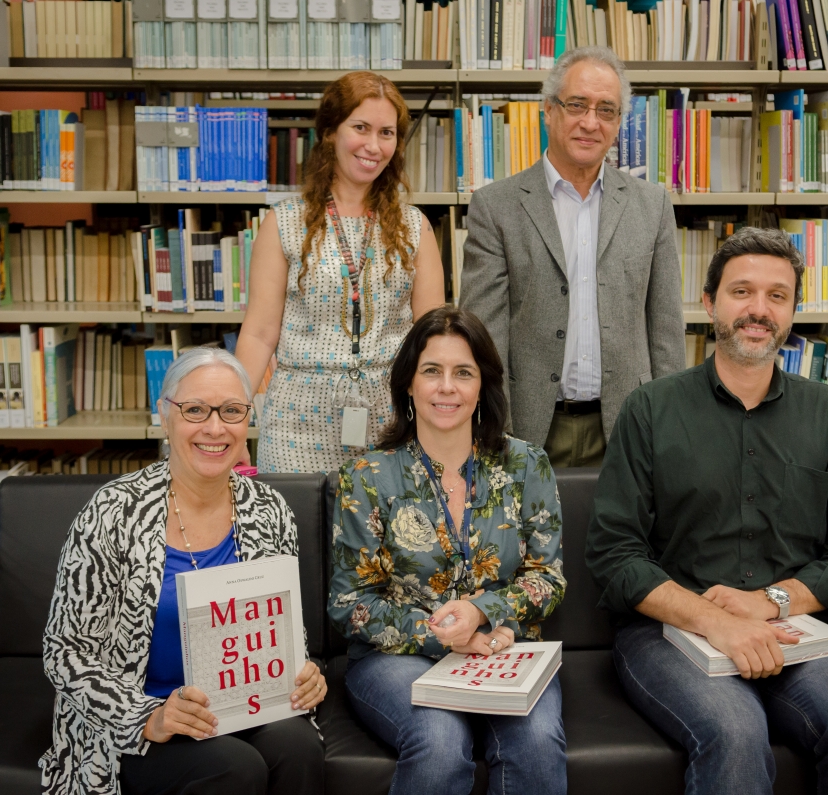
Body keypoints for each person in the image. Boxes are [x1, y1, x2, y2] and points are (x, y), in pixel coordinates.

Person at [584, 227, 828, 795]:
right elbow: (614, 556)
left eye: (777, 296)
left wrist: (769, 602)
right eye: (741, 292)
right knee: (734, 731)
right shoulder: (649, 410)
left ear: (792, 312)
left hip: (795, 634)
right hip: (668, 636)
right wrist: (718, 622)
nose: (758, 310)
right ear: (709, 303)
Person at [41, 347, 327, 795]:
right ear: (165, 416)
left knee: (299, 747)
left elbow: (283, 630)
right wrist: (146, 717)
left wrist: (303, 671)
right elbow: (65, 651)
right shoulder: (113, 512)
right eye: (195, 410)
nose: (215, 428)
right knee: (233, 768)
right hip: (143, 720)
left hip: (242, 706)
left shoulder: (270, 509)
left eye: (232, 411)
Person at [328, 306, 567, 795]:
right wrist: (445, 637)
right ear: (409, 385)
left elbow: (548, 577)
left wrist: (481, 613)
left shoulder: (527, 465)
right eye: (431, 371)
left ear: (483, 387)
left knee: (539, 742)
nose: (446, 387)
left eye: (463, 373)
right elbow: (350, 605)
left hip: (504, 648)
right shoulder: (368, 476)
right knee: (438, 739)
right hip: (395, 657)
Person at [459, 46, 684, 467]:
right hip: (529, 430)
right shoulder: (496, 206)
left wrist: (666, 427)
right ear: (549, 110)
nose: (589, 122)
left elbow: (666, 330)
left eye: (606, 110)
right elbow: (484, 335)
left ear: (619, 123)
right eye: (577, 105)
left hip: (628, 427)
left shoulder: (651, 205)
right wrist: (496, 432)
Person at [237, 70, 446, 474]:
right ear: (331, 132)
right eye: (361, 128)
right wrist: (233, 423)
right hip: (294, 422)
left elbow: (431, 336)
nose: (373, 145)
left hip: (392, 418)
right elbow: (259, 335)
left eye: (386, 133)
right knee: (300, 532)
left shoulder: (414, 226)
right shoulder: (284, 223)